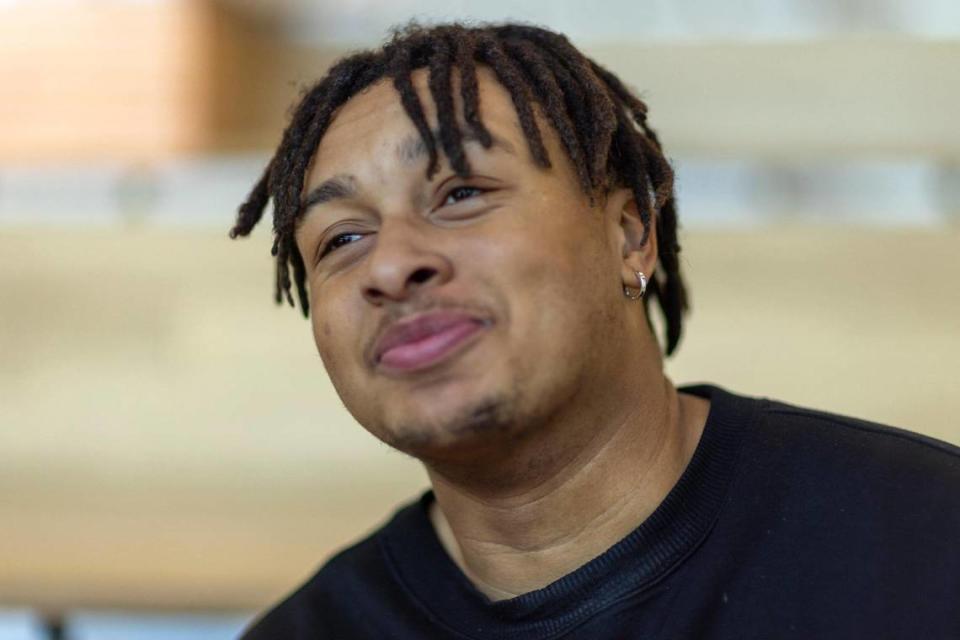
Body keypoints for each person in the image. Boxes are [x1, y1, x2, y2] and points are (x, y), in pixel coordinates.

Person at [229, 22, 960, 639]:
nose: (389, 266)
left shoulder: (922, 544)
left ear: (630, 236)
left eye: (461, 194)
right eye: (341, 240)